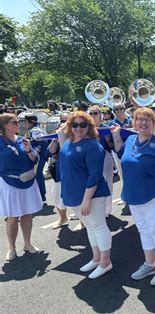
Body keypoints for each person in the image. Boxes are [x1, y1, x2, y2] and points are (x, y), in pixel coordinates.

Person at [110, 107, 155, 286]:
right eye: (140, 119)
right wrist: (116, 135)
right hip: (133, 195)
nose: (143, 122)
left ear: (154, 123)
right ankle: (150, 263)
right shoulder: (130, 139)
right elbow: (123, 157)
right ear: (134, 122)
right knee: (144, 231)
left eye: (148, 119)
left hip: (154, 197)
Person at [58, 111, 112, 279]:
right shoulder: (68, 141)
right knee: (89, 226)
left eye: (83, 125)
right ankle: (96, 258)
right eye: (74, 125)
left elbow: (95, 175)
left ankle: (105, 262)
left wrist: (86, 200)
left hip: (91, 195)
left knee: (99, 226)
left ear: (89, 126)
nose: (78, 128)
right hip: (74, 193)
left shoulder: (93, 145)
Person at [0, 113, 42, 261]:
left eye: (19, 122)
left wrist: (28, 149)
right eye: (15, 122)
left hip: (28, 181)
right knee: (12, 217)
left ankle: (27, 244)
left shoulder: (22, 140)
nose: (18, 124)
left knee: (27, 214)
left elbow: (34, 159)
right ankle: (12, 248)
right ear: (5, 126)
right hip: (10, 183)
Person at [89, 105, 114, 217]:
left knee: (107, 182)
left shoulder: (106, 127)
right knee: (92, 182)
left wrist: (108, 140)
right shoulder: (86, 128)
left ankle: (106, 210)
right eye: (91, 113)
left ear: (100, 115)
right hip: (90, 158)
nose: (93, 115)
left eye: (95, 113)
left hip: (105, 156)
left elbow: (113, 146)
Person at [48, 112, 70, 229]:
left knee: (76, 197)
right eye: (62, 121)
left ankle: (83, 222)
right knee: (56, 195)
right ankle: (63, 218)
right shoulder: (57, 135)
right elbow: (50, 151)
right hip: (58, 171)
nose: (64, 124)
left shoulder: (75, 135)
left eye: (67, 121)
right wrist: (55, 139)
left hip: (72, 172)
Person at [23, 113, 49, 203]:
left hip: (39, 157)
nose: (24, 124)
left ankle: (41, 197)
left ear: (31, 122)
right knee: (36, 175)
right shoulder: (32, 130)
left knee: (37, 175)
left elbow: (44, 142)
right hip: (37, 157)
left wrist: (36, 152)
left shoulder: (35, 130)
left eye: (25, 121)